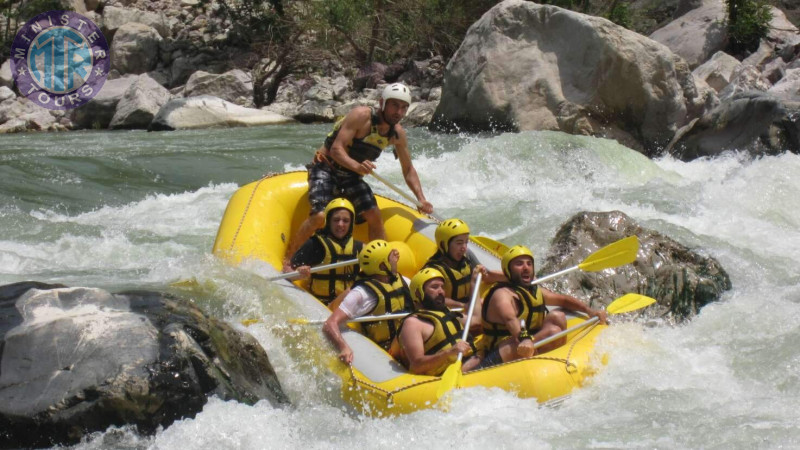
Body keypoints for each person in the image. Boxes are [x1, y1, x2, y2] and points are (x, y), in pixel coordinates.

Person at [283, 82, 433, 270]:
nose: (399, 112)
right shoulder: (361, 116)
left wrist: (421, 199)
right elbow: (337, 149)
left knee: (374, 215)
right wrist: (357, 166)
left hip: (352, 175)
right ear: (382, 103)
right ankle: (290, 260)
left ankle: (380, 266)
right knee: (320, 216)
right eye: (395, 105)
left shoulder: (397, 134)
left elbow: (408, 169)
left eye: (404, 107)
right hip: (326, 167)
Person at [479, 245, 608, 368]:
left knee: (558, 317)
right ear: (508, 270)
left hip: (529, 342)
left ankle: (555, 360)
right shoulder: (501, 295)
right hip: (501, 351)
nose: (526, 267)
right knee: (553, 332)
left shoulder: (533, 291)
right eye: (519, 264)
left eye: (529, 264)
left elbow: (563, 300)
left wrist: (589, 311)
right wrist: (524, 339)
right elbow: (511, 320)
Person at [322, 239, 414, 364]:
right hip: (385, 351)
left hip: (405, 343)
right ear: (383, 266)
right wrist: (343, 347)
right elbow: (330, 324)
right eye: (391, 256)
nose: (396, 258)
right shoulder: (362, 293)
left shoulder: (402, 281)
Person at [395, 267, 481, 376]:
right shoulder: (413, 323)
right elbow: (417, 366)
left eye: (442, 287)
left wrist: (474, 282)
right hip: (448, 375)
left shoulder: (446, 312)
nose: (441, 291)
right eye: (435, 287)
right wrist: (449, 352)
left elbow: (476, 321)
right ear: (418, 293)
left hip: (472, 363)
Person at [423, 218, 505, 331]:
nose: (464, 247)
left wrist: (513, 276)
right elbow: (435, 300)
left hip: (469, 306)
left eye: (466, 242)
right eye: (459, 243)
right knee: (477, 323)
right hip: (448, 311)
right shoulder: (433, 269)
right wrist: (463, 306)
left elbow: (487, 275)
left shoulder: (467, 257)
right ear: (444, 244)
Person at [287, 198, 363, 306]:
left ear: (351, 224)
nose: (341, 224)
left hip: (347, 306)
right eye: (336, 220)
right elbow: (286, 271)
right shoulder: (315, 244)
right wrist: (297, 273)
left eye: (345, 221)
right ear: (328, 221)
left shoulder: (359, 247)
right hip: (321, 305)